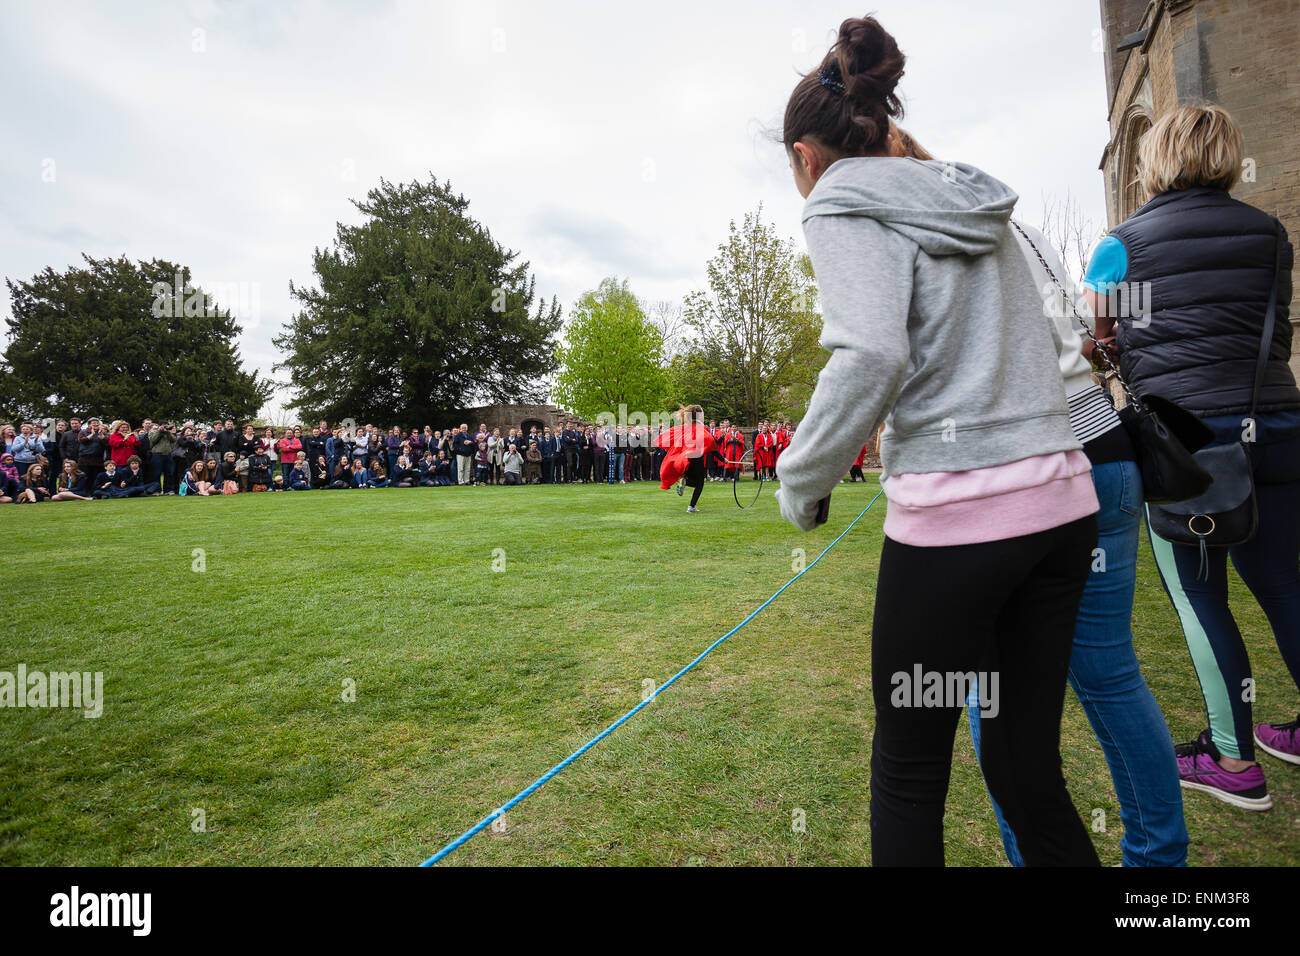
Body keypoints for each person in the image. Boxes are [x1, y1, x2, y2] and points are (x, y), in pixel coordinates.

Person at [774, 15, 1099, 866]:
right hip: (1061, 510)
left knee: (911, 770)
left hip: (959, 520)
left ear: (806, 157)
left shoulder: (839, 203)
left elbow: (872, 350)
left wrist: (799, 476)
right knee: (1029, 770)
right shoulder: (966, 198)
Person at [1083, 104, 1300, 808]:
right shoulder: (1270, 234)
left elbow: (1097, 339)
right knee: (1286, 586)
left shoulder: (1122, 243)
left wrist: (1122, 350)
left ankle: (1233, 760)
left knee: (1201, 597)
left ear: (1156, 160)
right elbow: (1276, 335)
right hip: (1277, 424)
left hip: (1189, 439)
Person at [656, 405, 724, 513]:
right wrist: (723, 459)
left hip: (687, 459)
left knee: (696, 482)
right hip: (696, 459)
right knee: (700, 484)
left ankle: (684, 482)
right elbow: (712, 445)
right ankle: (691, 506)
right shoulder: (701, 428)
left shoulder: (686, 427)